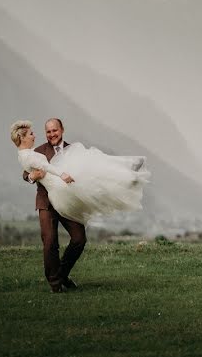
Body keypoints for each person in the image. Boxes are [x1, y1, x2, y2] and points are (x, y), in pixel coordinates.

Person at [11, 118, 149, 293]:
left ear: (62, 130)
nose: (51, 134)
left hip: (70, 199)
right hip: (47, 201)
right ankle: (55, 284)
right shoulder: (37, 151)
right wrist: (32, 177)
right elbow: (26, 173)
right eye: (48, 131)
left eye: (54, 130)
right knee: (50, 242)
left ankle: (62, 274)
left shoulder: (74, 150)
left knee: (79, 239)